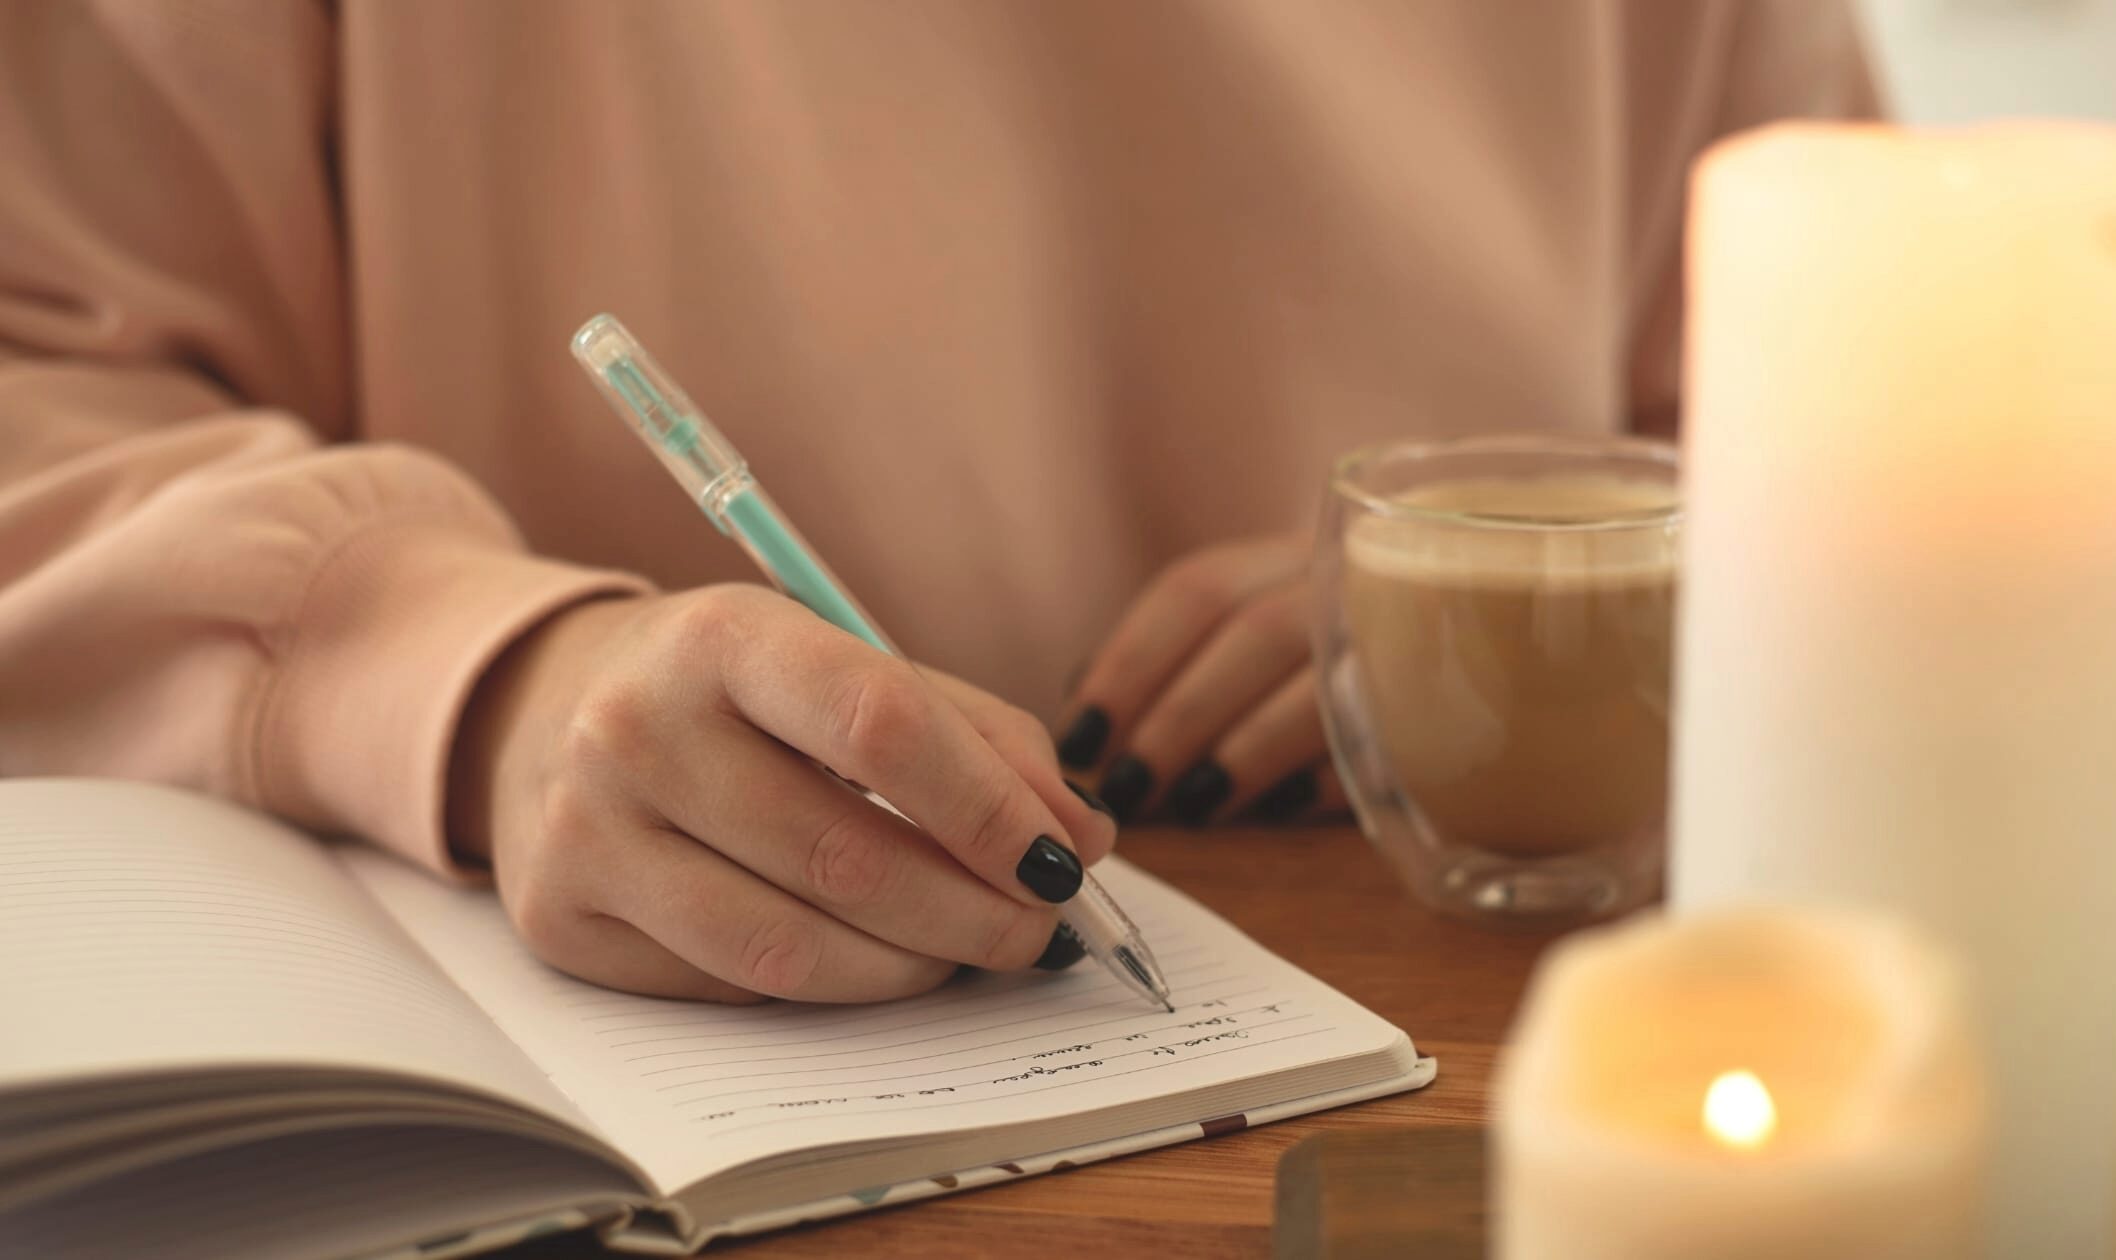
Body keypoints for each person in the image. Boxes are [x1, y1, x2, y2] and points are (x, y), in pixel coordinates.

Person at [0, 2, 1876, 1003]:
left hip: (1503, 1000)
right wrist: (483, 678)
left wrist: (1534, 601)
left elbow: (1889, 410)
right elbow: (45, 384)